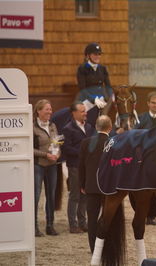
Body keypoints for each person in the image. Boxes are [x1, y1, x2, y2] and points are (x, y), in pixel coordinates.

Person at [78, 115, 112, 253]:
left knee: (91, 219)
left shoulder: (86, 142)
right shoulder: (113, 142)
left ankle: (94, 249)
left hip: (91, 186)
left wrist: (82, 184)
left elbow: (81, 166)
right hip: (109, 188)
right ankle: (108, 246)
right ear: (110, 127)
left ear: (96, 127)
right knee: (109, 218)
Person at [62, 102, 95, 234]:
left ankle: (83, 222)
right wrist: (82, 152)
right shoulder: (67, 129)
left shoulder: (89, 127)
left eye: (85, 111)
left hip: (87, 166)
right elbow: (66, 148)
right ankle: (73, 224)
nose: (85, 113)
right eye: (82, 111)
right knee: (75, 195)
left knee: (84, 195)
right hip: (75, 166)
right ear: (74, 113)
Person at [134, 91, 156, 226]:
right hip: (144, 160)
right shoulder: (140, 119)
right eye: (153, 103)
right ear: (148, 104)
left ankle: (153, 215)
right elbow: (135, 138)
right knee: (143, 189)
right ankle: (142, 214)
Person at [33, 99, 61, 237]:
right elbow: (30, 149)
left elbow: (56, 143)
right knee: (36, 196)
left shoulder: (53, 126)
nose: (50, 112)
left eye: (50, 109)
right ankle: (34, 227)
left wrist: (57, 153)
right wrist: (46, 155)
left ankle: (50, 225)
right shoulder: (32, 127)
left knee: (51, 196)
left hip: (52, 166)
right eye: (47, 109)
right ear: (38, 111)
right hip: (38, 165)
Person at [76, 43, 112, 126]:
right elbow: (82, 89)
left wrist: (110, 96)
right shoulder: (82, 68)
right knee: (81, 118)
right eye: (95, 54)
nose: (98, 56)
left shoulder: (102, 68)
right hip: (87, 100)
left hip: (101, 100)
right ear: (88, 55)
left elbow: (108, 86)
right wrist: (93, 99)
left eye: (99, 54)